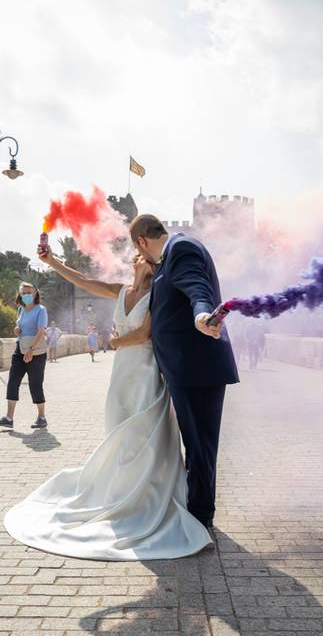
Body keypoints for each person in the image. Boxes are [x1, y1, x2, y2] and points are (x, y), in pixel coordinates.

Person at [2, 249, 211, 560]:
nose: (138, 257)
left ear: (150, 265)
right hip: (121, 373)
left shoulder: (158, 293)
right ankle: (120, 491)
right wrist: (52, 263)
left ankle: (146, 498)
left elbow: (144, 333)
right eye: (138, 255)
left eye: (142, 255)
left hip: (146, 371)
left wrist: (115, 342)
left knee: (143, 434)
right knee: (118, 432)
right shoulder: (120, 291)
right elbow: (83, 280)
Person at [131, 214, 239, 531]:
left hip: (196, 368)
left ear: (141, 241)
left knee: (200, 445)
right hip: (187, 369)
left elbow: (197, 288)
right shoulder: (168, 258)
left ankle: (200, 517)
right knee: (196, 444)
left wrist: (202, 315)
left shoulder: (182, 248)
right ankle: (198, 511)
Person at [0, 282, 48, 429]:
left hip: (36, 351)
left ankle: (41, 417)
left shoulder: (41, 310)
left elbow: (41, 331)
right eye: (23, 292)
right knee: (13, 381)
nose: (26, 295)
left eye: (29, 292)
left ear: (35, 293)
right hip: (20, 349)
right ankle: (9, 418)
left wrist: (31, 349)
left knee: (35, 384)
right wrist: (17, 330)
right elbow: (21, 329)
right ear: (20, 294)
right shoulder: (20, 310)